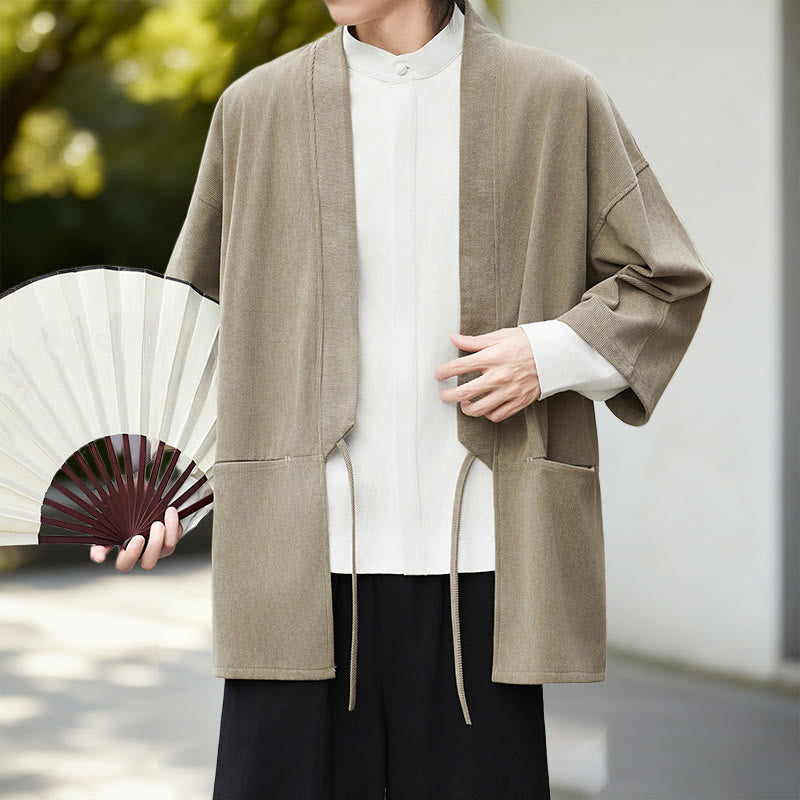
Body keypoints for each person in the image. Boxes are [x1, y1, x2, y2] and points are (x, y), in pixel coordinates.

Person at [91, 0, 713, 797]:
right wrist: (158, 477)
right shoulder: (254, 108)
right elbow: (197, 322)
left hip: (484, 569)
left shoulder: (555, 97)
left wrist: (548, 353)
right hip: (293, 565)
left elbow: (667, 281)